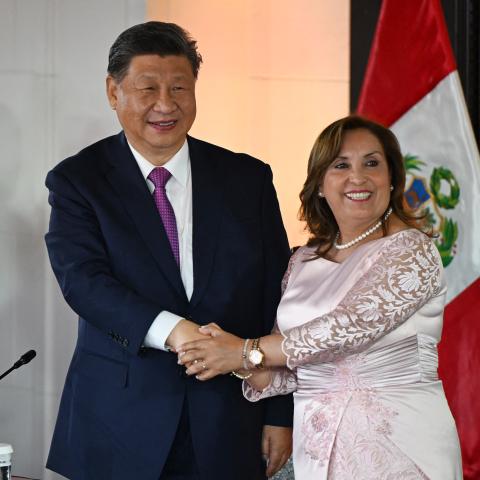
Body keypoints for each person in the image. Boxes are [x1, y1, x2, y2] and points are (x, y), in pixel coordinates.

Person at [44, 21, 293, 480]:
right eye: (148, 88)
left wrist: (279, 412)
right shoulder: (78, 181)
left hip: (229, 418)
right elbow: (84, 282)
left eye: (180, 87)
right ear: (113, 92)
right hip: (118, 421)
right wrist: (176, 331)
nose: (165, 104)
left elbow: (276, 298)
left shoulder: (247, 179)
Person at [177, 115, 463, 479]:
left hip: (397, 444)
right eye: (341, 165)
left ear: (392, 180)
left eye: (372, 164)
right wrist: (226, 356)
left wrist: (242, 350)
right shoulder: (302, 260)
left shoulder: (411, 249)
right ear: (320, 185)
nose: (357, 177)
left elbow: (347, 328)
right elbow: (295, 371)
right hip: (319, 448)